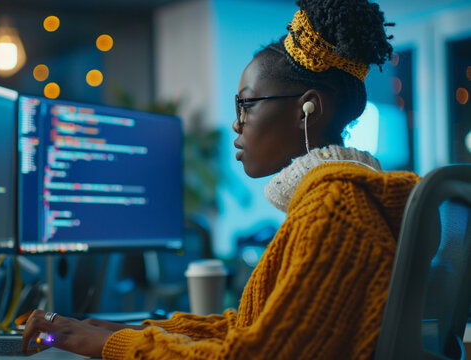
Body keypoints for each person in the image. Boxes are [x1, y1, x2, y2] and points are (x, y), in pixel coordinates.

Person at [21, 0, 421, 358]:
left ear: (308, 110)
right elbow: (248, 328)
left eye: (246, 104)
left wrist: (112, 346)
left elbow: (255, 353)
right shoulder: (335, 195)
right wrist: (124, 331)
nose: (236, 122)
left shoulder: (335, 205)